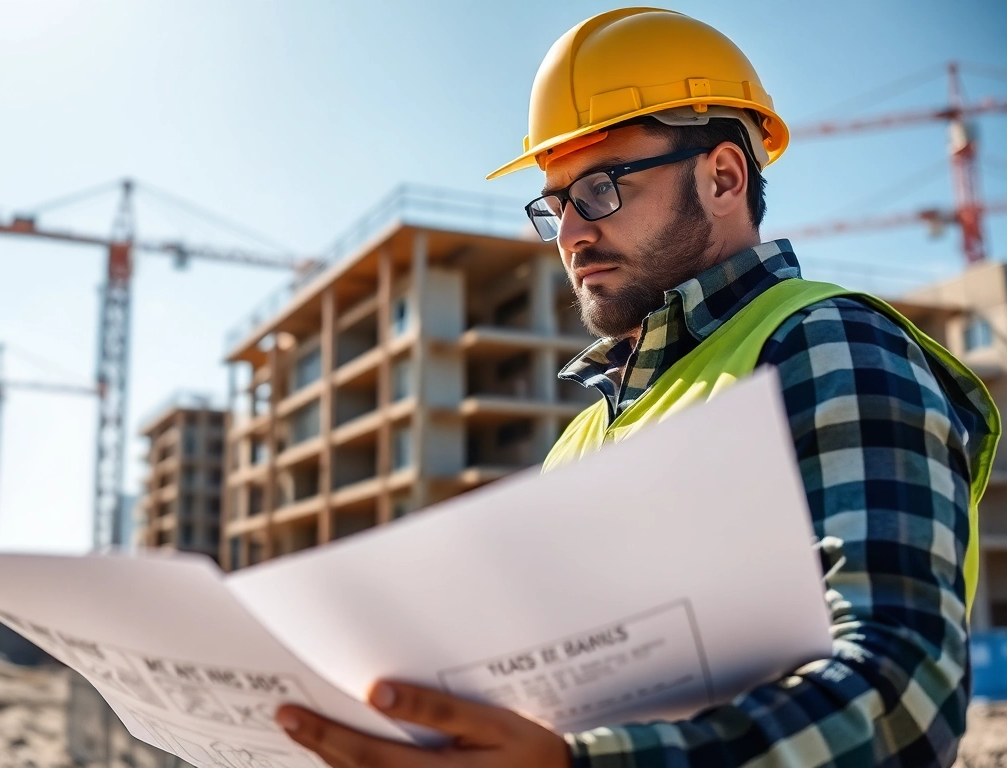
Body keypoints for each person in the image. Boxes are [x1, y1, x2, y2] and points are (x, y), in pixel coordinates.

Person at [274, 8, 1000, 767]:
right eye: (555, 204)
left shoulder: (826, 344)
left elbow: (902, 699)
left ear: (723, 175)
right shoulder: (582, 437)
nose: (570, 234)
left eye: (597, 189)